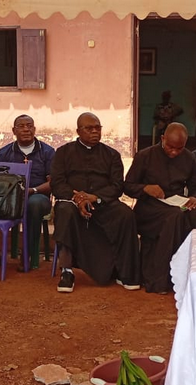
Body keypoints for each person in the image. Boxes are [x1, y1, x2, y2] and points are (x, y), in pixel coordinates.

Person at [51, 112, 140, 294]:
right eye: (89, 128)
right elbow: (57, 184)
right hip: (72, 202)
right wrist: (78, 199)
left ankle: (124, 272)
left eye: (97, 128)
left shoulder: (112, 155)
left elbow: (117, 186)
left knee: (125, 214)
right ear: (78, 131)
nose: (94, 132)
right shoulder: (63, 152)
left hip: (102, 202)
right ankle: (67, 271)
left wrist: (95, 197)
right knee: (65, 211)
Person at [125, 122, 196, 294]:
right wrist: (145, 188)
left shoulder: (189, 158)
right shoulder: (145, 156)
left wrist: (195, 198)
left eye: (179, 148)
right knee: (174, 217)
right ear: (162, 138)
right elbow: (127, 186)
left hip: (177, 204)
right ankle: (159, 280)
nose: (174, 152)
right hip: (149, 208)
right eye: (170, 147)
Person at [0, 115, 56, 270]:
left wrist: (33, 190)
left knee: (33, 204)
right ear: (14, 131)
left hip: (38, 196)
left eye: (29, 126)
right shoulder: (4, 153)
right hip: (10, 198)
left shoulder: (47, 152)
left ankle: (28, 253)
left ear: (34, 129)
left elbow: (53, 182)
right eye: (21, 126)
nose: (26, 129)